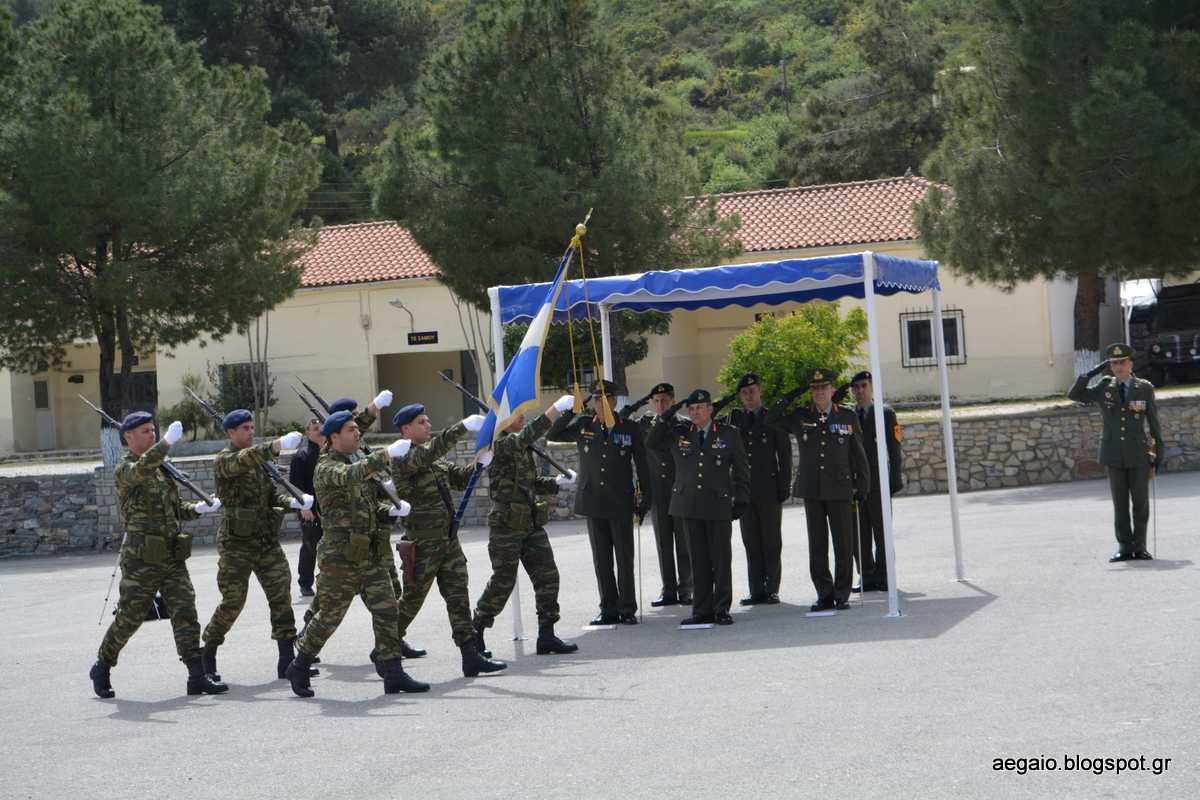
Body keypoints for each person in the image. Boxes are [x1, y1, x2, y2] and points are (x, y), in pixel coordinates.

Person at [288, 410, 426, 697]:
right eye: (351, 429)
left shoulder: (358, 462)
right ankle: (299, 664)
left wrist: (389, 511)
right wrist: (386, 454)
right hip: (340, 556)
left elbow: (366, 507)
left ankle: (393, 673)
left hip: (369, 553)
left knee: (387, 610)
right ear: (334, 437)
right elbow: (351, 476)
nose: (357, 433)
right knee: (329, 616)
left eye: (357, 428)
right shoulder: (327, 466)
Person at [89, 413, 227, 698]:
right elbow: (141, 470)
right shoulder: (125, 469)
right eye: (145, 431)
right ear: (128, 437)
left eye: (153, 431)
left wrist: (198, 509)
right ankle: (102, 665)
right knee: (131, 616)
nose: (151, 435)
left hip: (171, 554)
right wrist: (165, 444)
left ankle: (196, 675)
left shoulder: (163, 469)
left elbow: (176, 510)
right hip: (142, 558)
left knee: (185, 610)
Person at [389, 404, 507, 677]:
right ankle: (385, 646)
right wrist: (463, 427)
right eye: (422, 422)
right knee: (411, 601)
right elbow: (434, 450)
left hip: (448, 540)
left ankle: (470, 655)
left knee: (458, 598)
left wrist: (479, 463)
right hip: (423, 543)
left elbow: (458, 478)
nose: (429, 425)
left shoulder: (435, 459)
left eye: (429, 420)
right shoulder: (404, 456)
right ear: (406, 429)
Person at [200, 410, 312, 683]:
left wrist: (293, 502)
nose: (251, 432)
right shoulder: (225, 460)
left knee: (281, 596)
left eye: (252, 427)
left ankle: (287, 660)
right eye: (245, 428)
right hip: (237, 543)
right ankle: (207, 656)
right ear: (231, 433)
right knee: (233, 601)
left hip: (266, 541)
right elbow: (244, 459)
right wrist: (275, 446)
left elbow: (271, 494)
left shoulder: (259, 461)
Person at [471, 395, 580, 657]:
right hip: (506, 526)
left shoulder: (521, 447)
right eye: (517, 414)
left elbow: (529, 484)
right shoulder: (500, 444)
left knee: (547, 576)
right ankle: (475, 633)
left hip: (530, 523)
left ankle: (547, 635)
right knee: (503, 582)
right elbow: (527, 435)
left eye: (523, 413)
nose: (522, 417)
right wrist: (554, 409)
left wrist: (555, 483)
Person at [547, 379, 652, 626]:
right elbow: (553, 433)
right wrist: (574, 408)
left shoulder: (629, 428)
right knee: (602, 558)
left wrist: (646, 498)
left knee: (624, 558)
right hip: (593, 500)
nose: (600, 405)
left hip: (621, 500)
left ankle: (627, 608)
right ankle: (608, 609)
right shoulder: (584, 424)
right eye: (595, 400)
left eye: (604, 400)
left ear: (615, 401)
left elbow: (643, 466)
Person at [765, 369, 869, 611]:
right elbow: (770, 418)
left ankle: (841, 593)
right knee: (818, 544)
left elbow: (858, 455)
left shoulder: (846, 416)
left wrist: (862, 486)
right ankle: (824, 593)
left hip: (840, 487)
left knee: (843, 543)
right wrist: (790, 396)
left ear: (833, 390)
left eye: (824, 388)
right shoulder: (800, 416)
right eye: (814, 388)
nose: (819, 392)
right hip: (812, 488)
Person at [645, 390, 750, 625]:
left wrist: (741, 500)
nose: (694, 412)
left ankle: (721, 608)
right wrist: (665, 416)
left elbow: (742, 472)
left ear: (710, 409)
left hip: (718, 504)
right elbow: (651, 443)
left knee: (721, 559)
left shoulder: (728, 434)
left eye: (699, 408)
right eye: (690, 409)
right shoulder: (679, 433)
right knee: (698, 560)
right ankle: (701, 609)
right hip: (688, 505)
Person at [1067, 343, 1165, 562]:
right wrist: (1088, 374)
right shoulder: (1104, 387)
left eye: (1122, 362)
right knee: (1120, 504)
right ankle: (1124, 547)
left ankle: (1140, 546)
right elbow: (1075, 395)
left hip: (1138, 451)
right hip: (1113, 452)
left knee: (1140, 503)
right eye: (1113, 363)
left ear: (1131, 363)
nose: (1118, 367)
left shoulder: (1144, 388)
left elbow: (1154, 422)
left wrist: (1159, 451)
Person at [720, 374, 792, 606]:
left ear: (760, 392)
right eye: (744, 392)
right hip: (744, 491)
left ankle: (771, 588)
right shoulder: (734, 420)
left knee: (771, 541)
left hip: (769, 488)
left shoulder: (772, 418)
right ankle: (756, 589)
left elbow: (785, 455)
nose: (749, 396)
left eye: (752, 391)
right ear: (740, 396)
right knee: (751, 542)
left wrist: (784, 486)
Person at [621, 383, 693, 608]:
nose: (660, 405)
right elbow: (620, 419)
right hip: (658, 493)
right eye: (656, 401)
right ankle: (668, 590)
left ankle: (686, 589)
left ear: (673, 401)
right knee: (663, 544)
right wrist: (638, 403)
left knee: (684, 544)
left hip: (681, 492)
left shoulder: (684, 425)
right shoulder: (645, 423)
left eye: (664, 400)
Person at [843, 371, 903, 592]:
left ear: (871, 387)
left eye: (864, 386)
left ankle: (884, 575)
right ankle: (866, 576)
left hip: (878, 481)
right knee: (859, 533)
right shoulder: (847, 415)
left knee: (882, 530)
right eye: (856, 387)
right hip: (855, 483)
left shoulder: (885, 414)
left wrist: (895, 479)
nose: (860, 391)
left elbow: (894, 449)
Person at [288, 418, 325, 597]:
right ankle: (305, 582)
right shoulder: (301, 456)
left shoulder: (332, 453)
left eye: (322, 428)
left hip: (330, 509)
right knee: (310, 546)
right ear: (308, 433)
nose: (319, 431)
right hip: (310, 510)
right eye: (315, 429)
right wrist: (304, 508)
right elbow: (295, 486)